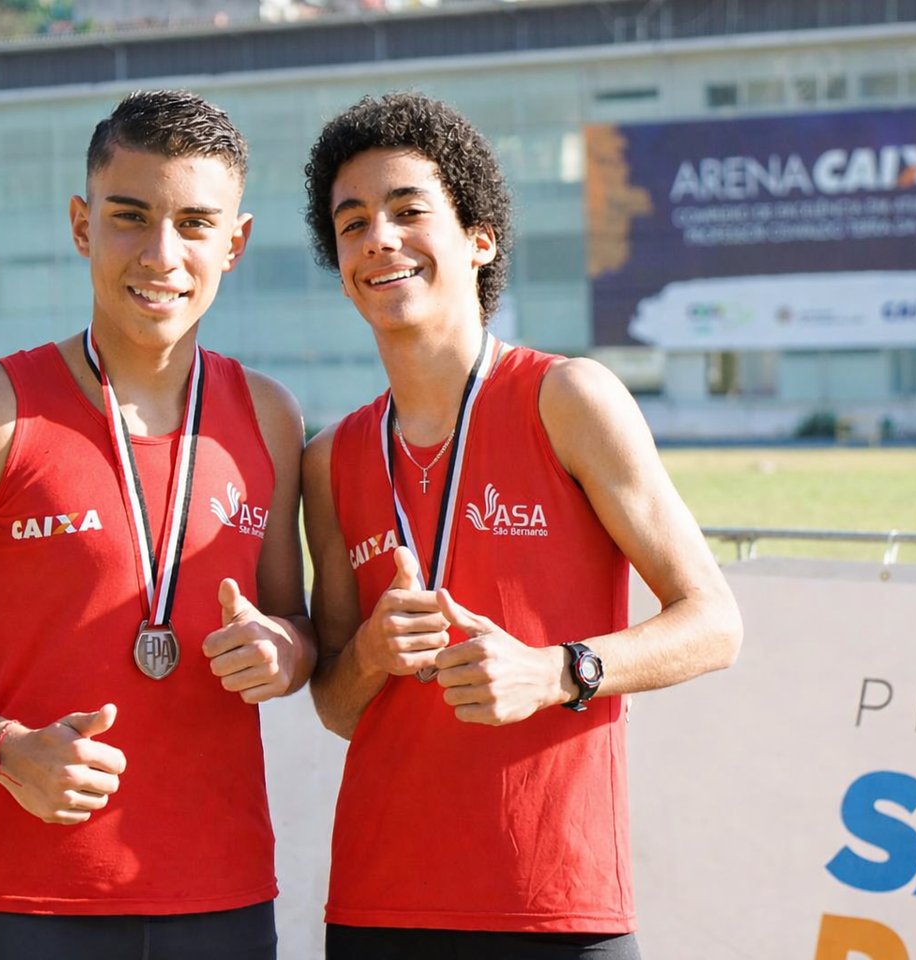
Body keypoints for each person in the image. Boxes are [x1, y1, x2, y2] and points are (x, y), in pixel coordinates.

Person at [0, 89, 315, 960]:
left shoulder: (270, 416)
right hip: (27, 904)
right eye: (132, 216)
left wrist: (285, 651)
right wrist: (1, 749)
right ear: (83, 225)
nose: (163, 254)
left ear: (233, 244)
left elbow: (298, 628)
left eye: (196, 224)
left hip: (224, 898)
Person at [300, 91, 744, 959]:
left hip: (555, 905)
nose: (378, 238)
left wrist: (554, 671)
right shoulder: (330, 460)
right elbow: (336, 703)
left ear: (480, 238)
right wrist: (372, 658)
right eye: (352, 224)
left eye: (406, 211)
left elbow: (715, 622)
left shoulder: (568, 399)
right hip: (377, 908)